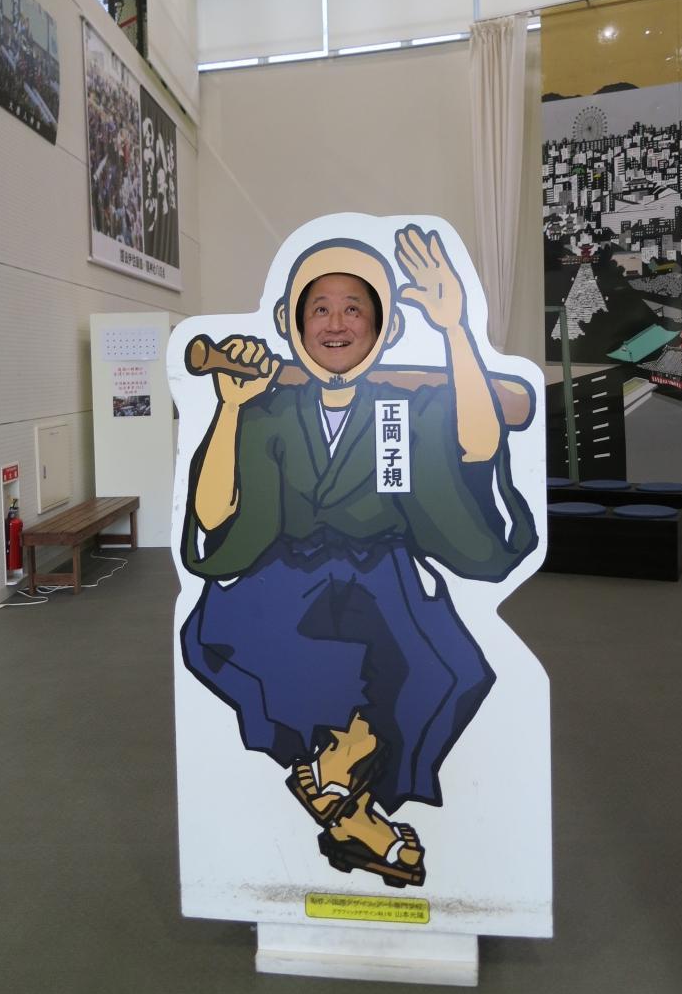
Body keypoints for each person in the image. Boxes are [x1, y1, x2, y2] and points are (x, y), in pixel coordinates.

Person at [179, 225, 537, 886]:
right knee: (333, 668)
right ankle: (350, 807)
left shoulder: (400, 411)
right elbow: (213, 518)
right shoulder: (268, 410)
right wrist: (230, 409)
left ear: (385, 326)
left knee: (448, 673)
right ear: (292, 324)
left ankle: (339, 797)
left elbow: (477, 444)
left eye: (354, 308)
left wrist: (455, 329)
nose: (336, 323)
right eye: (319, 308)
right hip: (288, 582)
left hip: (381, 578)